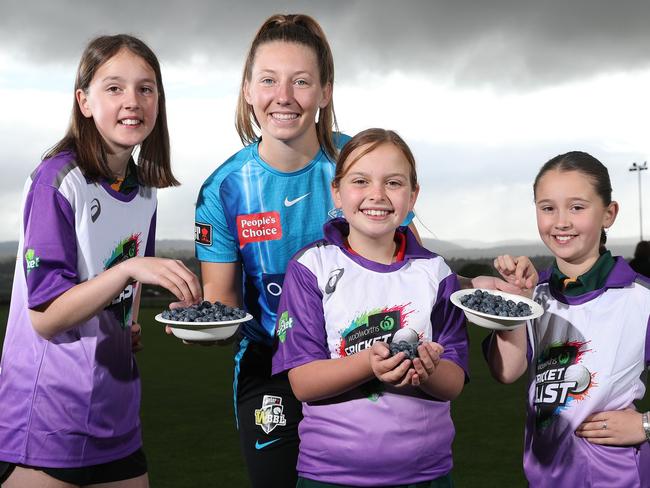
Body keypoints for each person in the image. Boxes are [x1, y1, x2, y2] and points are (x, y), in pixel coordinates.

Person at [0, 35, 202, 488]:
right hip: (49, 415)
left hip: (117, 412)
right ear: (84, 101)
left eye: (146, 88)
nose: (133, 101)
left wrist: (133, 325)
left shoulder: (145, 188)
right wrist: (129, 270)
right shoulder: (58, 180)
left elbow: (123, 298)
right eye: (114, 88)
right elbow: (47, 318)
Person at [193, 14, 349, 488]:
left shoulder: (360, 163)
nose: (283, 97)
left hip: (358, 356)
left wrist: (481, 286)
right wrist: (198, 318)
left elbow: (416, 269)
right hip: (269, 368)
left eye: (301, 82)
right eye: (268, 80)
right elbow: (224, 305)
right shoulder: (222, 189)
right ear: (247, 90)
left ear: (324, 92)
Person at [272, 128, 468, 487]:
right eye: (360, 181)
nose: (376, 195)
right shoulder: (309, 268)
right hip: (329, 475)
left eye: (393, 183)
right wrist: (369, 364)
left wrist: (427, 369)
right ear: (337, 191)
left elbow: (453, 381)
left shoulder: (436, 272)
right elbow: (302, 382)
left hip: (425, 475)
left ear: (413, 196)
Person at [489, 151, 650, 487]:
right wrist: (518, 304)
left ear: (609, 214)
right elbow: (506, 371)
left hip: (620, 478)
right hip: (545, 479)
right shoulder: (533, 295)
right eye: (548, 208)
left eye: (577, 207)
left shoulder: (641, 298)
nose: (561, 221)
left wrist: (646, 425)